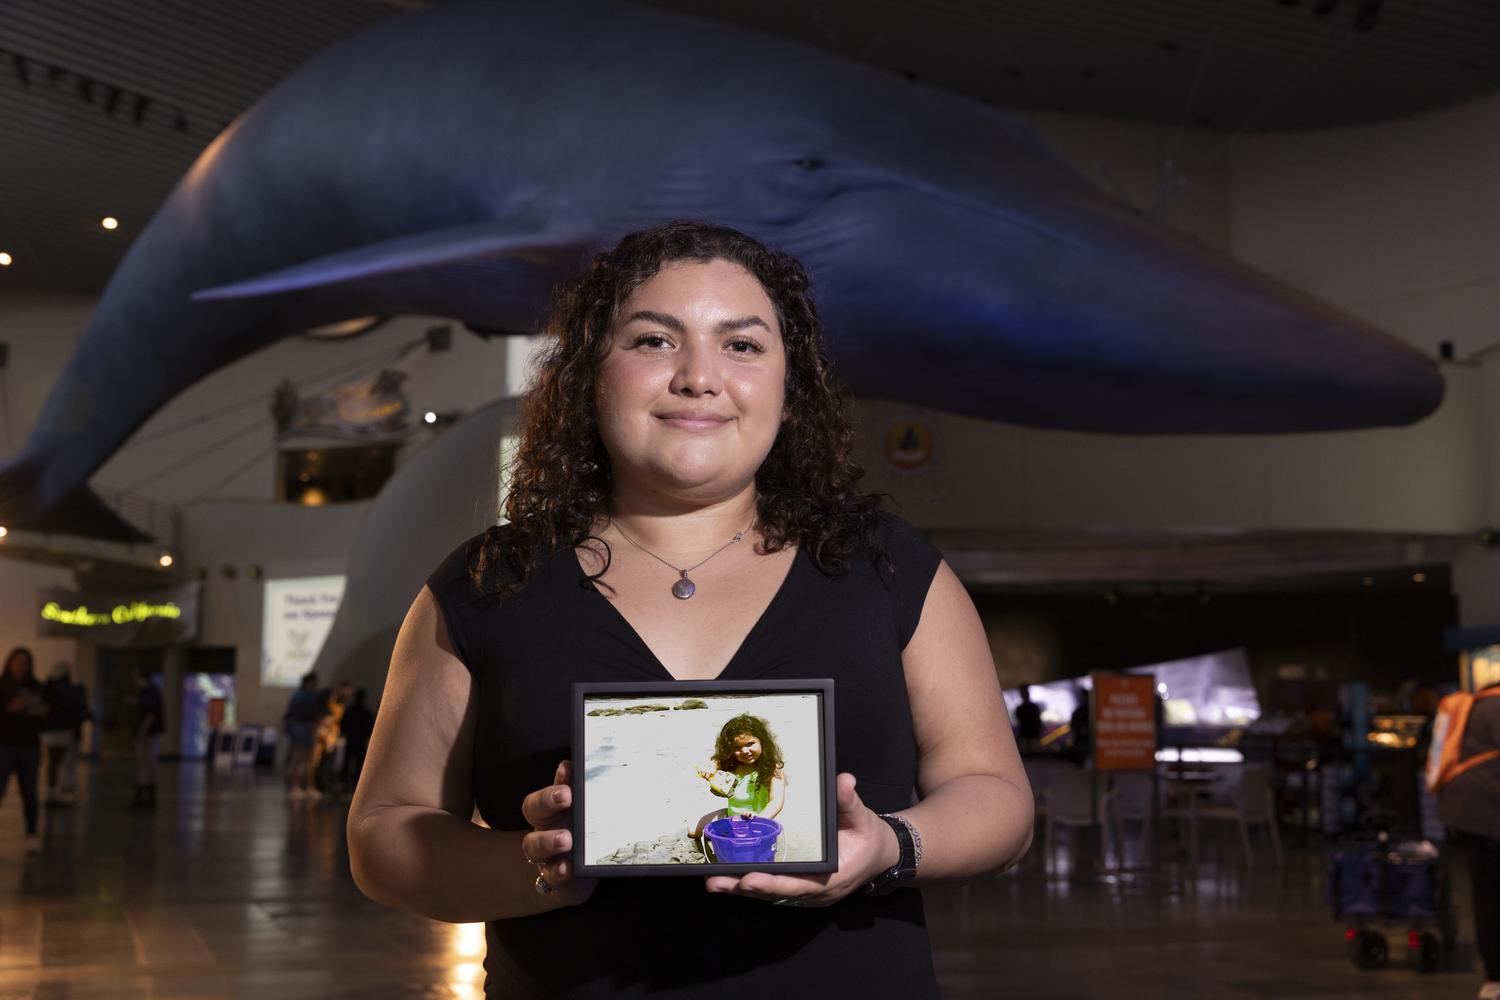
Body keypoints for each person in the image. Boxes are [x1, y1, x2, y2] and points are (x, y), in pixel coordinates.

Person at [347, 221, 1034, 998]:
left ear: (790, 382)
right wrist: (531, 865)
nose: (699, 377)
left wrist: (889, 846)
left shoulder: (888, 567)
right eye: (653, 341)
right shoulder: (485, 585)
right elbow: (384, 837)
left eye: (742, 345)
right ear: (587, 374)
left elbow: (998, 798)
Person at [1435, 680, 1500, 1000]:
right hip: (1489, 814)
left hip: (1465, 814)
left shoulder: (1475, 704)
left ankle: (1493, 978)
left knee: (1486, 895)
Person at [692, 714, 787, 838]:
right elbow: (712, 766)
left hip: (758, 818)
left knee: (746, 839)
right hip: (732, 815)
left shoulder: (773, 769)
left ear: (762, 742)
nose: (745, 751)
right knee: (693, 830)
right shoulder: (731, 765)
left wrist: (760, 819)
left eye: (750, 744)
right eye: (737, 747)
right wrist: (709, 774)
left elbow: (776, 801)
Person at [0, 647, 48, 852]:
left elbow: (46, 714)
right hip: (5, 744)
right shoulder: (3, 687)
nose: (22, 666)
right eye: (18, 662)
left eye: (25, 662)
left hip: (29, 745)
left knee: (29, 791)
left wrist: (38, 711)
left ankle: (31, 833)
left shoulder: (36, 687)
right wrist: (9, 710)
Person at [41, 663, 83, 805]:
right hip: (62, 729)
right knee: (61, 762)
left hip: (53, 729)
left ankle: (53, 792)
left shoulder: (50, 687)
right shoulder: (66, 689)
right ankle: (56, 792)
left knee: (54, 762)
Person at [283, 672, 322, 801]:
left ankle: (306, 787)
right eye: (315, 682)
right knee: (299, 759)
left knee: (307, 760)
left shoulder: (304, 695)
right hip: (301, 729)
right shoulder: (302, 696)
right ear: (309, 682)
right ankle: (297, 787)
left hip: (304, 729)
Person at [130, 670, 164, 808]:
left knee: (144, 764)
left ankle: (143, 797)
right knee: (146, 764)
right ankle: (148, 796)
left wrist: (141, 732)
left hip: (146, 734)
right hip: (148, 733)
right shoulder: (151, 692)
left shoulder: (149, 693)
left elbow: (150, 714)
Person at [340, 688, 375, 792]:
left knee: (347, 763)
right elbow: (370, 727)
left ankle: (345, 784)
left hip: (350, 740)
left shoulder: (349, 710)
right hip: (360, 741)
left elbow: (343, 725)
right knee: (359, 764)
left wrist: (347, 734)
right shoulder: (367, 712)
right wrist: (364, 736)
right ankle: (357, 786)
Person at [1014, 685, 1042, 749]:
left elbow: (1038, 721)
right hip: (1026, 736)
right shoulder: (1021, 708)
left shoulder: (1032, 708)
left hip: (1031, 736)